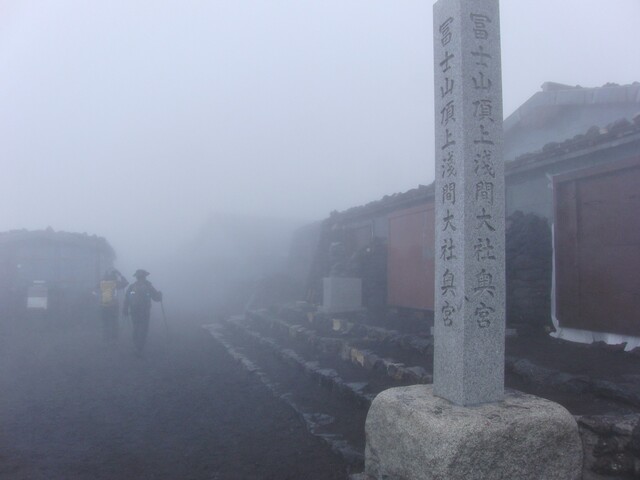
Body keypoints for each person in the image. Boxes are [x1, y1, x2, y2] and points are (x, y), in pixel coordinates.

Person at [122, 269, 162, 357]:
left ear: (136, 277)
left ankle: (136, 345)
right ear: (144, 276)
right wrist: (160, 295)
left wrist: (125, 309)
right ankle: (140, 347)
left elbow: (127, 299)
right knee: (143, 329)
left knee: (136, 327)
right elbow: (156, 298)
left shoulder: (132, 286)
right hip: (145, 311)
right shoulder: (148, 286)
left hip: (134, 310)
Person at [98, 269, 129, 343]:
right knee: (114, 322)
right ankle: (114, 339)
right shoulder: (115, 283)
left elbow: (96, 288)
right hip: (113, 306)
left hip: (103, 306)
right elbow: (126, 283)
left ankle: (105, 338)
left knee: (105, 323)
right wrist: (120, 275)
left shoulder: (102, 283)